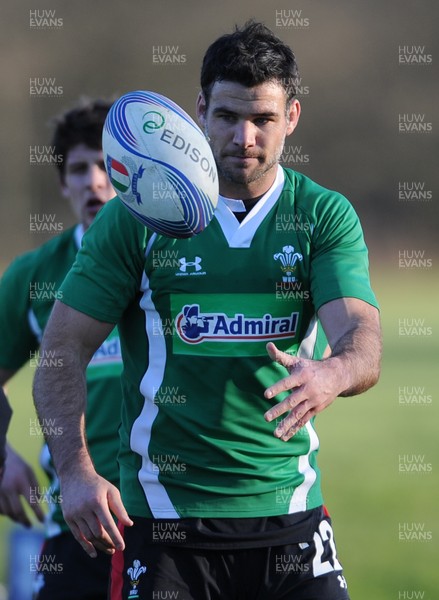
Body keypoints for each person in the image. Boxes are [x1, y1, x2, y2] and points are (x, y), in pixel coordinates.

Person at [33, 22, 382, 600]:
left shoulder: (322, 215)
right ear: (198, 111)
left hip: (289, 515)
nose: (244, 136)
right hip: (166, 524)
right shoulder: (136, 218)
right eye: (226, 116)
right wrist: (74, 471)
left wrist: (335, 372)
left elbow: (360, 330)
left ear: (292, 117)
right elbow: (63, 347)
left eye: (263, 119)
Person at [0, 99, 123, 600]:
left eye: (106, 164)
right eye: (79, 169)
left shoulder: (176, 259)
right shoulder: (34, 275)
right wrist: (1, 455)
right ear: (62, 183)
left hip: (174, 520)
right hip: (78, 522)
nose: (94, 181)